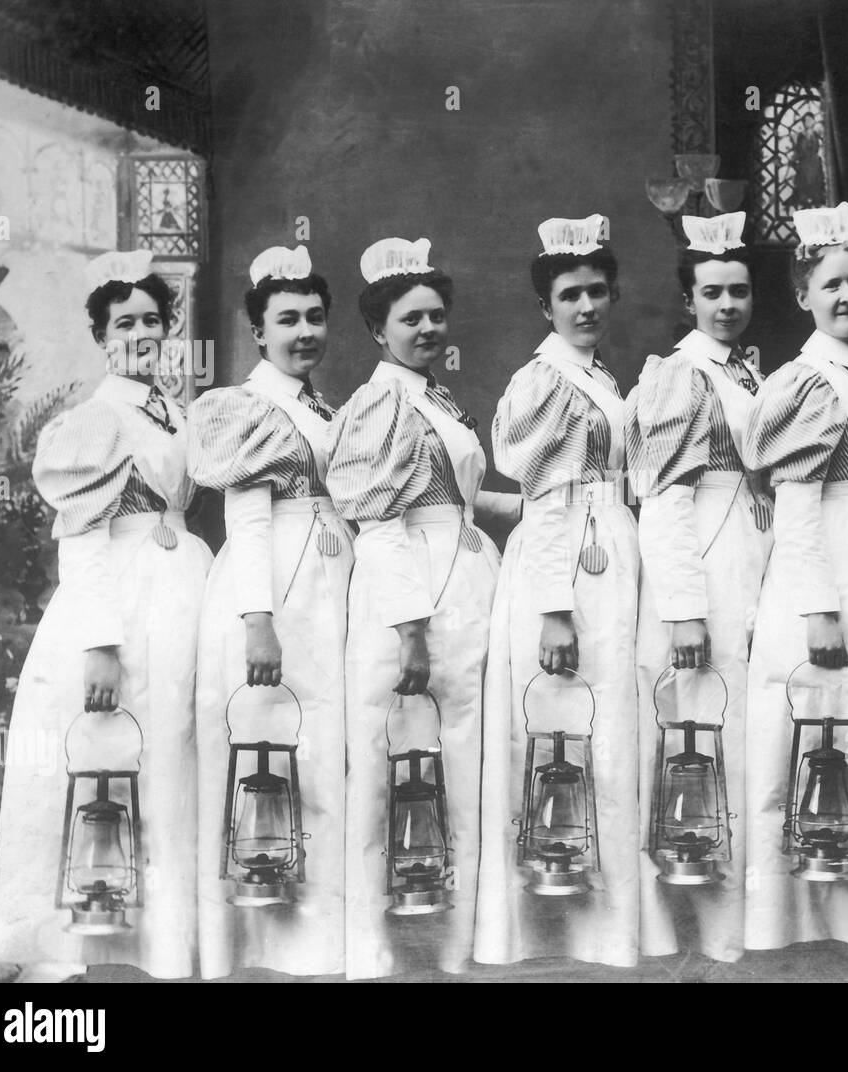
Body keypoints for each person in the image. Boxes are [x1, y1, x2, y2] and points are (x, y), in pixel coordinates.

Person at [0, 250, 211, 981]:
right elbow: (82, 546)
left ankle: (168, 942)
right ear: (102, 337)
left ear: (168, 328)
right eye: (123, 324)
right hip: (121, 595)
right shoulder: (92, 422)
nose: (140, 333)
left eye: (151, 319)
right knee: (115, 754)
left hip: (186, 592)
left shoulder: (178, 414)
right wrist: (101, 644)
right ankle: (85, 944)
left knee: (175, 752)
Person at [326, 237, 516, 976]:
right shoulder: (379, 403)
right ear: (379, 330)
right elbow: (379, 523)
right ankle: (371, 947)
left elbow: (454, 497)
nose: (429, 329)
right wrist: (410, 632)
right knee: (384, 763)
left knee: (466, 759)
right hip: (410, 592)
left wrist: (536, 505)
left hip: (468, 583)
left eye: (437, 315)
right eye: (412, 319)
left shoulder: (431, 396)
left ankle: (463, 941)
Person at [741, 204, 848, 960]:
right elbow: (798, 507)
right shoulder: (805, 382)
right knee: (816, 730)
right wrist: (819, 609)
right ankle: (799, 922)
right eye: (830, 285)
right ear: (804, 295)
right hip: (830, 567)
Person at [474, 214, 641, 967]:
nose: (586, 307)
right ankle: (554, 925)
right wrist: (552, 609)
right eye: (570, 295)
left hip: (606, 554)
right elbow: (544, 506)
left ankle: (609, 924)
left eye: (597, 292)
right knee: (565, 727)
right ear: (546, 307)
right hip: (566, 569)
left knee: (607, 729)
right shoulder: (545, 380)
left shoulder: (599, 373)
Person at [187, 245, 352, 978]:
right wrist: (258, 619)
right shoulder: (248, 408)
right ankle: (267, 947)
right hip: (278, 587)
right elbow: (247, 522)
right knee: (280, 748)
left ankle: (325, 940)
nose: (305, 331)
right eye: (287, 319)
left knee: (325, 750)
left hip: (327, 582)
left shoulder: (320, 403)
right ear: (258, 331)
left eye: (315, 316)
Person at [626, 211, 772, 963]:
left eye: (738, 291)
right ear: (689, 301)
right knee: (704, 739)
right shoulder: (681, 373)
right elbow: (663, 499)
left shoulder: (746, 369)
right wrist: (684, 610)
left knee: (747, 733)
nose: (727, 305)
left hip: (748, 545)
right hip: (705, 560)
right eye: (712, 293)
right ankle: (703, 938)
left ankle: (748, 927)